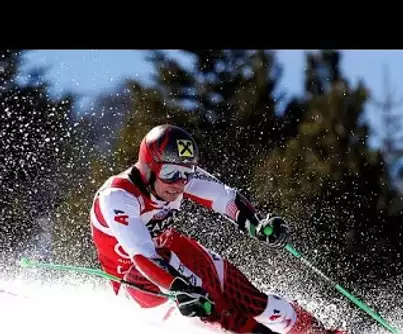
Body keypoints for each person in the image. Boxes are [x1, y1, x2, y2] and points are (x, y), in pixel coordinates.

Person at [89, 124, 346, 334]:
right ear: (148, 166)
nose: (179, 183)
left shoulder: (177, 178)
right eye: (169, 172)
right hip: (139, 283)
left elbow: (224, 198)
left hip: (172, 252)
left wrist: (257, 225)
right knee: (222, 310)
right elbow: (144, 255)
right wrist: (179, 288)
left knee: (251, 301)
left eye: (186, 174)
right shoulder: (118, 196)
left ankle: (317, 332)